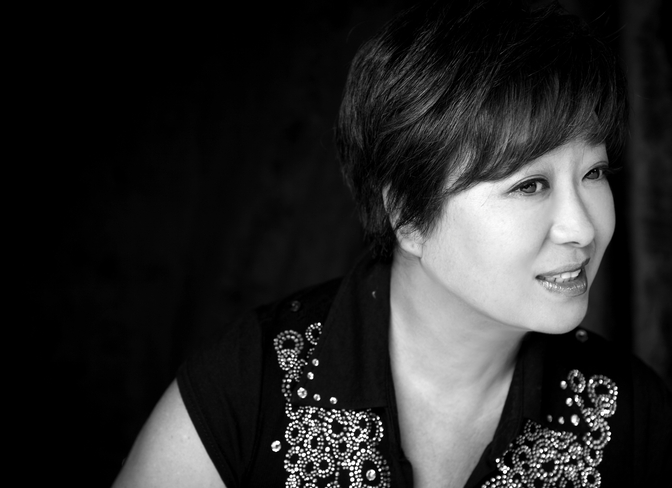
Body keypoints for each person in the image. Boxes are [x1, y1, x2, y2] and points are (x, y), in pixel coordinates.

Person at [112, 1, 672, 487]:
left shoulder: (632, 413)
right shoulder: (249, 384)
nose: (582, 228)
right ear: (407, 214)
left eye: (593, 173)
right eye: (529, 185)